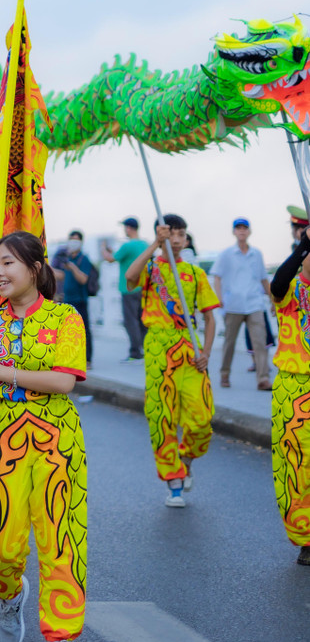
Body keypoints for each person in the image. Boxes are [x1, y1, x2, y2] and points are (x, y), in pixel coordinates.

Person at [0, 231, 88, 642]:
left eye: (8, 263)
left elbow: (64, 381)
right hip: (0, 439)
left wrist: (3, 372)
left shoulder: (65, 317)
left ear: (35, 269)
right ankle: (11, 595)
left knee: (60, 538)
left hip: (57, 440)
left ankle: (61, 633)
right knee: (3, 547)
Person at [126, 215, 219, 507]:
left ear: (186, 239)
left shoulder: (194, 273)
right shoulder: (150, 268)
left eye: (181, 235)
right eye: (171, 234)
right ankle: (173, 482)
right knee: (161, 416)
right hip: (158, 349)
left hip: (190, 349)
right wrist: (155, 244)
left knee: (202, 418)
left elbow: (210, 317)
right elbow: (130, 277)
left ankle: (186, 460)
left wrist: (206, 353)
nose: (176, 240)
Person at [269, 229, 310, 566]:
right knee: (297, 465)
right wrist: (304, 244)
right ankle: (306, 537)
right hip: (294, 387)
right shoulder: (291, 290)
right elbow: (277, 282)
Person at [213, 218, 272, 391]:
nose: (241, 231)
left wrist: (273, 300)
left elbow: (264, 279)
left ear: (249, 231)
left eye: (244, 228)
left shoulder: (257, 254)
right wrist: (219, 297)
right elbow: (217, 276)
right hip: (233, 304)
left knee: (260, 342)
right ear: (234, 231)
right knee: (229, 342)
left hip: (255, 303)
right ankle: (224, 374)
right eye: (238, 228)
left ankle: (263, 379)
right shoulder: (226, 254)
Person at [101, 217, 148, 361]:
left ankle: (135, 352)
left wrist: (103, 248)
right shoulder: (145, 244)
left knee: (130, 321)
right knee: (142, 320)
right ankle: (146, 349)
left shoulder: (127, 246)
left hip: (128, 288)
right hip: (143, 287)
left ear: (128, 228)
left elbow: (110, 259)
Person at [51, 230, 96, 364]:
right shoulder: (66, 258)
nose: (73, 243)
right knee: (69, 331)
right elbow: (62, 276)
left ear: (81, 242)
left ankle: (87, 359)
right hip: (67, 300)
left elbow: (83, 279)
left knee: (84, 330)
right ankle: (72, 357)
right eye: (71, 239)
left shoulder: (84, 259)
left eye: (76, 240)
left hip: (80, 300)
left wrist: (72, 267)